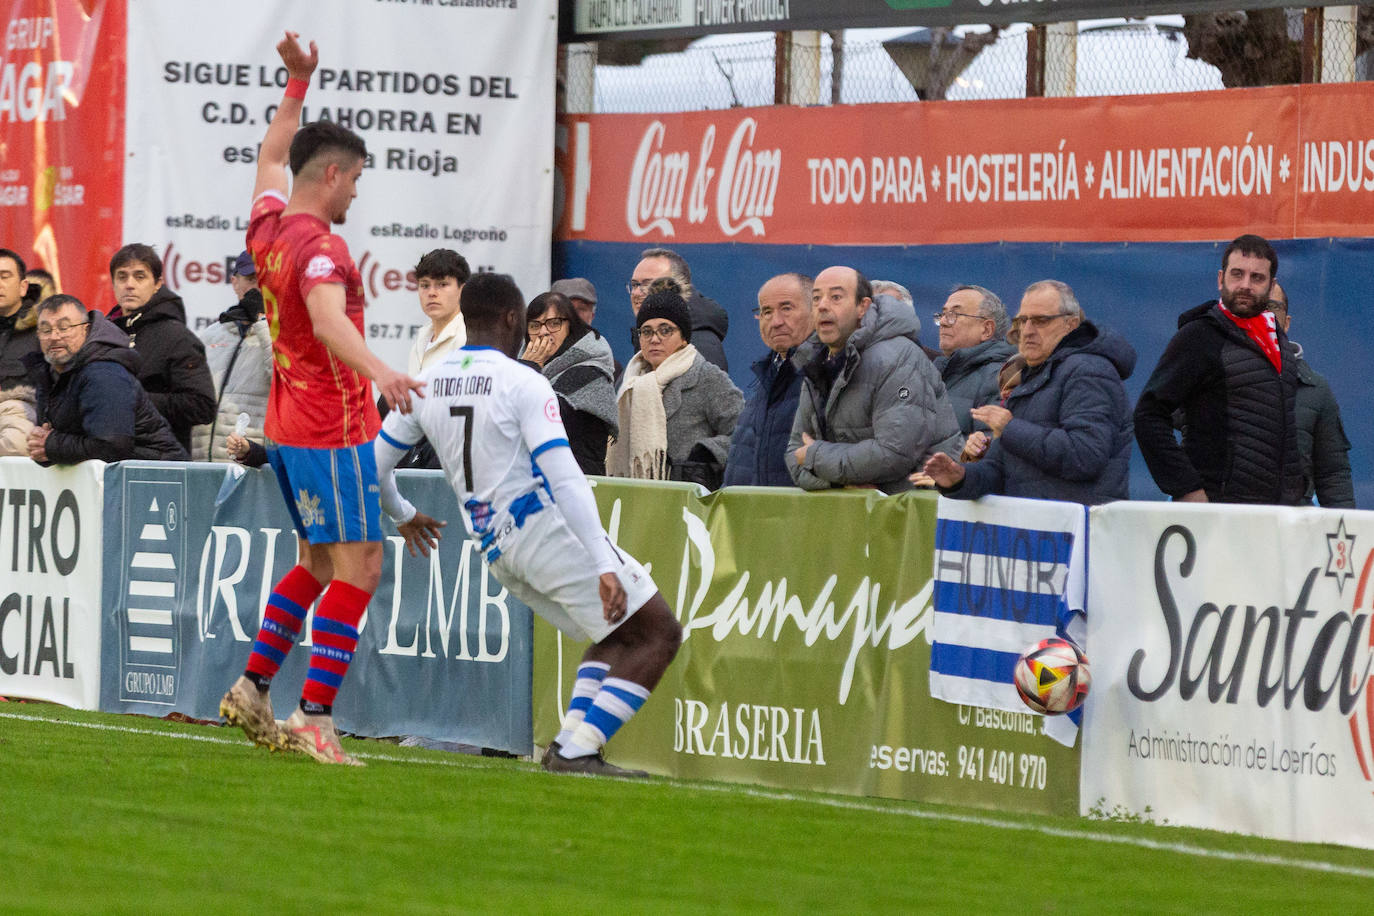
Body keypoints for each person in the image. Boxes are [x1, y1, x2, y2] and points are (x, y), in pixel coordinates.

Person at [374, 272, 682, 777]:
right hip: (541, 526)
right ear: (514, 318)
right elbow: (564, 474)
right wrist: (603, 560)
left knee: (613, 636)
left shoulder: (427, 382)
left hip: (495, 549)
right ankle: (576, 752)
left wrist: (403, 515)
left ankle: (570, 748)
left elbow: (374, 467)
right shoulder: (523, 381)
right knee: (658, 633)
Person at [217, 32, 425, 766]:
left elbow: (270, 157)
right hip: (331, 426)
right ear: (333, 174)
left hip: (288, 420)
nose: (357, 192)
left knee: (315, 561)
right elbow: (332, 320)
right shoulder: (324, 249)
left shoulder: (269, 229)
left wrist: (297, 85)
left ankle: (252, 686)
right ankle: (315, 715)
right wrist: (385, 372)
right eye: (357, 179)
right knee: (361, 565)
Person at [921, 280, 1136, 504]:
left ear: (1070, 324)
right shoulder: (1031, 376)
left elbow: (1085, 456)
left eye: (1041, 321)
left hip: (1077, 530)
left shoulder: (1089, 371)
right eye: (1023, 321)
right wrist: (958, 478)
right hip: (1034, 528)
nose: (1028, 330)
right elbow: (999, 471)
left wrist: (1010, 428)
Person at [1134, 233, 1303, 504]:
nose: (1245, 285)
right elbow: (1148, 415)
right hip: (1218, 511)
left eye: (1257, 278)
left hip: (1276, 515)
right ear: (1220, 279)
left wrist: (1295, 496)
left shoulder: (1278, 340)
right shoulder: (1198, 335)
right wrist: (1186, 487)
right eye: (1237, 274)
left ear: (1271, 286)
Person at [787, 266, 962, 494]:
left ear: (863, 307)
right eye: (816, 298)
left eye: (836, 297)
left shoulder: (900, 357)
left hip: (905, 516)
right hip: (852, 514)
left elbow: (894, 453)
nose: (822, 305)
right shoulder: (817, 360)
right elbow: (794, 451)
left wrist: (816, 457)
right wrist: (839, 483)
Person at [607, 282, 743, 487]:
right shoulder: (630, 381)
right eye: (646, 331)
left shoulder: (706, 376)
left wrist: (706, 453)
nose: (654, 339)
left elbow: (743, 435)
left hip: (689, 505)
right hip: (635, 499)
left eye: (665, 330)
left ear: (683, 338)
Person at [22, 295, 186, 463]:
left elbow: (112, 446)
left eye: (64, 328)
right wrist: (42, 446)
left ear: (85, 330)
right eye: (46, 330)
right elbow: (55, 440)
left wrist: (51, 446)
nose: (54, 336)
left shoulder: (104, 373)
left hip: (157, 476)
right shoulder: (46, 373)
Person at [106, 243, 216, 455]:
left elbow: (202, 406)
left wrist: (135, 400)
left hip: (161, 463)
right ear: (113, 283)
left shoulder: (177, 337)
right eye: (122, 277)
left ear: (157, 284)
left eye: (139, 277)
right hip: (106, 461)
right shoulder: (102, 334)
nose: (129, 285)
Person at [1266, 283, 1354, 508]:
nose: (1264, 316)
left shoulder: (1316, 390)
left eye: (1272, 308)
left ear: (1286, 323)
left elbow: (1333, 478)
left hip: (1291, 532)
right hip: (1225, 527)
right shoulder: (1213, 375)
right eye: (1257, 308)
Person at [722, 272, 813, 487]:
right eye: (766, 312)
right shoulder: (767, 375)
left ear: (815, 310)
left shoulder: (827, 374)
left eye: (787, 308)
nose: (776, 322)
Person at [521, 290, 617, 475]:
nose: (543, 332)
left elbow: (543, 419)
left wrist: (527, 370)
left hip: (579, 485)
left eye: (554, 323)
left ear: (570, 326)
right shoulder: (524, 365)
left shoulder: (590, 369)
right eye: (534, 325)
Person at [191, 251, 271, 462]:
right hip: (202, 467)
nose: (258, 287)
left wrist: (263, 322)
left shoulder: (285, 336)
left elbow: (287, 382)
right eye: (252, 279)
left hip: (253, 466)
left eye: (266, 280)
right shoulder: (210, 335)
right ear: (235, 283)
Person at [932, 285, 1017, 436]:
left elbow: (987, 448)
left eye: (954, 315)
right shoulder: (933, 372)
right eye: (943, 314)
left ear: (986, 330)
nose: (943, 322)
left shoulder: (999, 378)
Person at [627, 248, 729, 372]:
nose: (637, 293)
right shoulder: (645, 342)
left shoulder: (701, 348)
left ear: (677, 288)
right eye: (634, 285)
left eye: (648, 284)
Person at [0, 248, 39, 456]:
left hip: (22, 418)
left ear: (23, 286)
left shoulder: (44, 331)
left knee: (15, 440)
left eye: (5, 276)